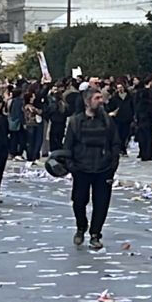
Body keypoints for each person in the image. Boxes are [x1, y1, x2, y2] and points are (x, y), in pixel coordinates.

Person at [63, 85, 122, 250]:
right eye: (97, 98)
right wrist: (71, 166)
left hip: (103, 168)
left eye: (101, 98)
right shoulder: (75, 122)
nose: (101, 101)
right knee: (79, 201)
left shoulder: (107, 121)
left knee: (102, 203)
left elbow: (115, 143)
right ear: (87, 102)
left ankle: (95, 234)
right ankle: (81, 226)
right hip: (81, 168)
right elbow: (68, 145)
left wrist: (112, 164)